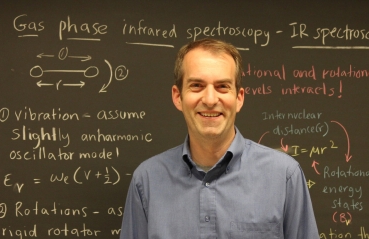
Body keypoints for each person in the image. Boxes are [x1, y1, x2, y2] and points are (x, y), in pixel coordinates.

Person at [120, 38, 319, 239]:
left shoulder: (284, 177)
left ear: (239, 98)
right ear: (177, 97)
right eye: (196, 85)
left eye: (222, 86)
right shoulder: (146, 182)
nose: (210, 100)